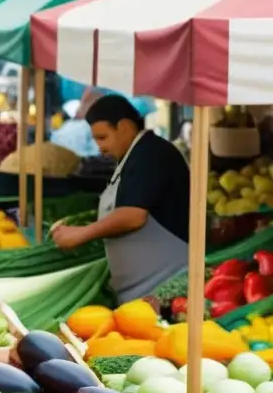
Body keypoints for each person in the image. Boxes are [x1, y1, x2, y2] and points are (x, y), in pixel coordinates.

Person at [52, 94, 189, 303]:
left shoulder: (151, 154)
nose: (100, 147)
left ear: (124, 126)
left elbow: (133, 215)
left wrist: (82, 233)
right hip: (141, 290)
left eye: (103, 137)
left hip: (162, 287)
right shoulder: (133, 156)